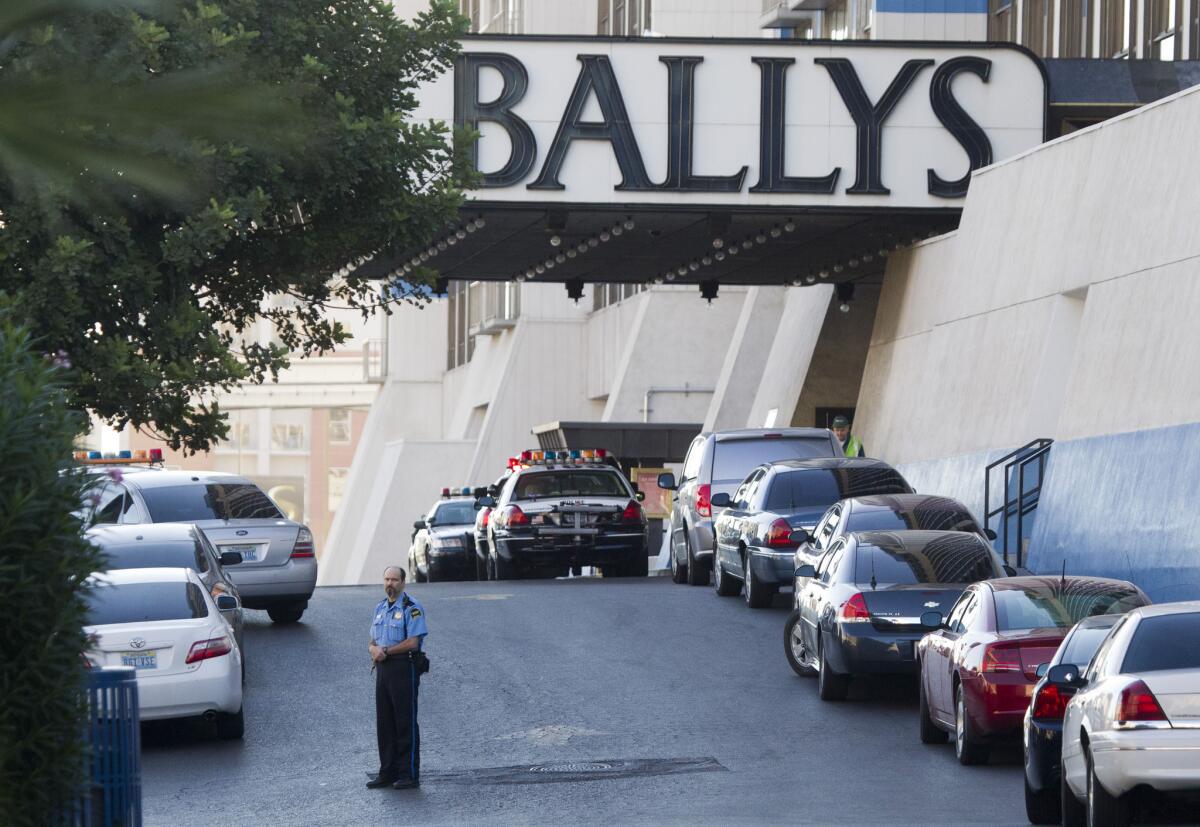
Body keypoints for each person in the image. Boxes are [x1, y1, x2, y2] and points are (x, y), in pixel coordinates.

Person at [366, 566, 427, 790]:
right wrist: (373, 651)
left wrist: (387, 652)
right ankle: (387, 772)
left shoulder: (412, 608)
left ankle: (408, 773)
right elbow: (372, 640)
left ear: (403, 582)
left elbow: (413, 641)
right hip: (383, 668)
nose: (390, 583)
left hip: (404, 666)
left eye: (394, 579)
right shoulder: (380, 608)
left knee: (404, 722)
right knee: (385, 722)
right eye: (386, 579)